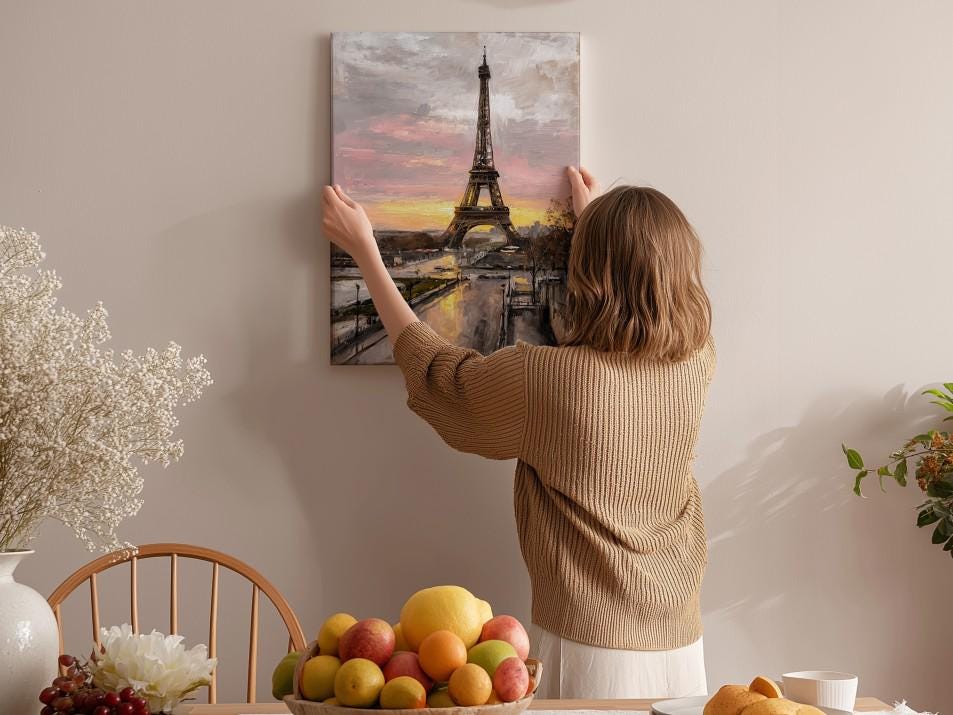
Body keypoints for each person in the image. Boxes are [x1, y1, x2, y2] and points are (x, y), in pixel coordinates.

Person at [321, 166, 715, 699]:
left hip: (588, 644)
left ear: (590, 271)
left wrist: (366, 251)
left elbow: (441, 376)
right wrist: (597, 226)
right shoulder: (698, 360)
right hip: (682, 641)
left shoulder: (547, 379)